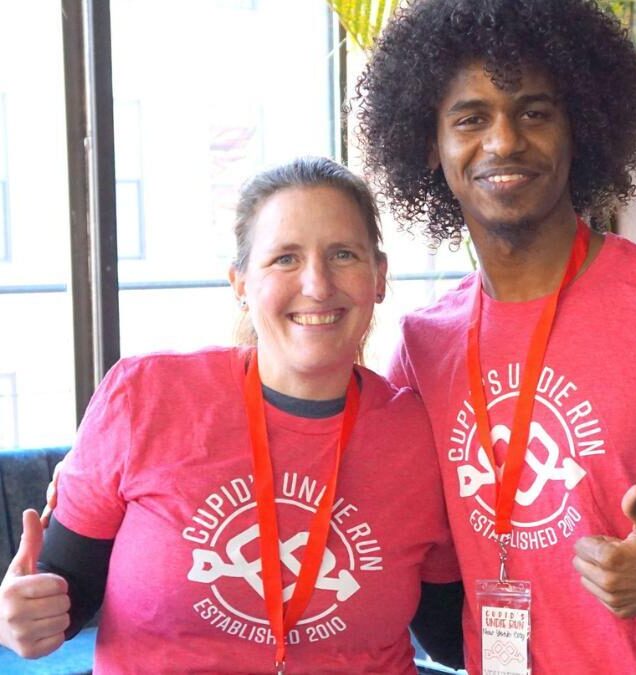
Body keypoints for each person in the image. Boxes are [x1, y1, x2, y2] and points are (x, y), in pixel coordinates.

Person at [355, 0, 636, 672]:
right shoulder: (422, 346)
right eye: (470, 118)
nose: (504, 141)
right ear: (429, 142)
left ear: (579, 129)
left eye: (535, 112)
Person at [0, 157, 460, 673]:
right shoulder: (145, 398)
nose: (317, 284)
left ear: (378, 278)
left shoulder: (418, 434)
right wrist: (27, 614)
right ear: (240, 283)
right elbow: (65, 593)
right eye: (285, 258)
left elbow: (451, 637)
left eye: (343, 255)